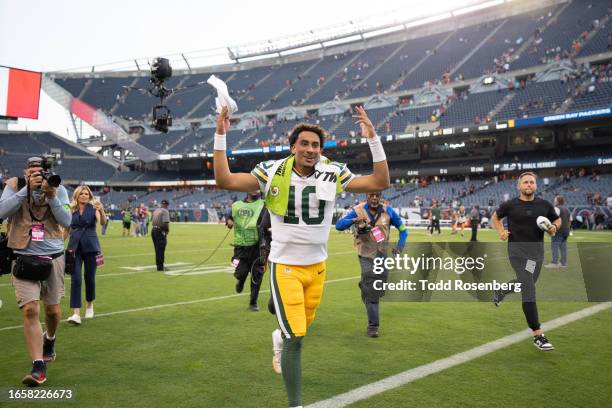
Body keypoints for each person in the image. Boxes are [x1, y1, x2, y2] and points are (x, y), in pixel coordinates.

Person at [213, 105, 389, 408]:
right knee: (297, 338)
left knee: (300, 328)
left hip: (317, 268)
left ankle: (279, 338)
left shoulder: (332, 171)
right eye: (304, 144)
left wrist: (373, 138)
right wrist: (220, 136)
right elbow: (225, 180)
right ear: (293, 147)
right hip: (286, 267)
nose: (310, 149)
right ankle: (296, 404)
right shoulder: (272, 171)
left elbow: (379, 182)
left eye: (316, 145)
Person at [0, 157, 71, 386]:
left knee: (52, 311)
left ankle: (49, 338)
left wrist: (51, 197)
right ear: (25, 171)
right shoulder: (14, 185)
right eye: (32, 171)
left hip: (54, 256)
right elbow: (1, 212)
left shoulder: (57, 187)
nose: (37, 174)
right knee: (30, 309)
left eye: (40, 171)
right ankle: (38, 365)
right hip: (23, 255)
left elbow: (67, 220)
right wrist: (25, 190)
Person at [491, 172, 560, 351]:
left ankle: (503, 289)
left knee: (526, 283)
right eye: (525, 182)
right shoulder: (510, 205)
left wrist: (554, 227)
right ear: (519, 186)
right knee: (528, 288)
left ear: (535, 185)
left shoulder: (544, 205)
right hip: (517, 254)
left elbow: (557, 220)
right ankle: (538, 335)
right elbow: (495, 217)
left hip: (535, 255)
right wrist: (501, 232)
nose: (529, 185)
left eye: (531, 182)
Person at [335, 192, 407, 337]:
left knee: (380, 290)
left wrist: (399, 247)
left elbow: (403, 231)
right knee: (372, 292)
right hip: (365, 254)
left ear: (380, 197)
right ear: (367, 196)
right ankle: (373, 326)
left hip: (382, 254)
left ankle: (364, 286)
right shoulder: (358, 209)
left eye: (377, 195)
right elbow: (338, 226)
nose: (374, 198)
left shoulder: (389, 211)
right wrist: (354, 220)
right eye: (371, 195)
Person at [66, 185, 107, 324]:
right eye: (81, 194)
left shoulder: (94, 207)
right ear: (77, 195)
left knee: (89, 278)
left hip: (91, 247)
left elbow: (102, 222)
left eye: (86, 194)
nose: (84, 196)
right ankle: (76, 313)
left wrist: (101, 210)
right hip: (74, 247)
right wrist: (58, 243)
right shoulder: (70, 209)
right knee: (75, 280)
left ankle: (89, 304)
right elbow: (66, 229)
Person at [226, 191, 266, 311]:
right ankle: (240, 280)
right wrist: (229, 221)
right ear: (248, 190)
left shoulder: (264, 204)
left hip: (258, 247)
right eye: (254, 188)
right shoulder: (236, 205)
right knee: (240, 272)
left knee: (256, 276)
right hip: (240, 247)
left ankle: (253, 302)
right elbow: (229, 217)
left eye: (258, 188)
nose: (256, 191)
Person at [545, 195, 570, 268]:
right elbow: (570, 220)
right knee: (563, 247)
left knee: (554, 247)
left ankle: (554, 263)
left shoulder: (556, 208)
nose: (554, 200)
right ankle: (563, 263)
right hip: (566, 231)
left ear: (558, 201)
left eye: (555, 199)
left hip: (558, 231)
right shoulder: (566, 209)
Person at [151, 200, 170, 272]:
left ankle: (158, 265)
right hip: (160, 231)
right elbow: (165, 223)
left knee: (157, 249)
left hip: (153, 230)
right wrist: (167, 231)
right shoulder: (165, 211)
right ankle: (161, 267)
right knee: (161, 249)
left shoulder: (156, 210)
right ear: (166, 205)